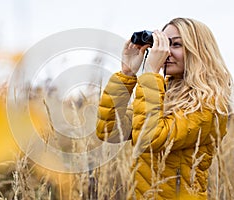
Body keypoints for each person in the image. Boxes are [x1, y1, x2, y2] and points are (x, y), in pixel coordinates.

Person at [96, 17, 233, 199]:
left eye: (176, 45)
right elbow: (109, 130)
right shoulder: (163, 92)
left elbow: (150, 138)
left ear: (198, 51)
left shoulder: (209, 104)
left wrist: (151, 74)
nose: (166, 52)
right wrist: (127, 74)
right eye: (163, 44)